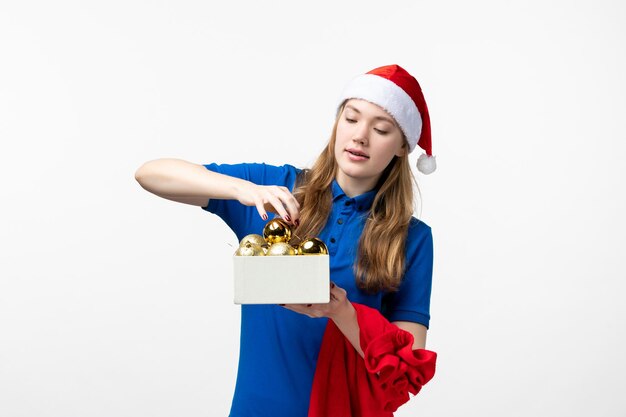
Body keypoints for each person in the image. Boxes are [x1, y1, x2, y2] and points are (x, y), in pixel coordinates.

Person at [135, 64, 438, 417]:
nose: (360, 136)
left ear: (402, 146)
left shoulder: (413, 238)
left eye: (381, 128)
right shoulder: (275, 191)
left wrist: (340, 312)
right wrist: (243, 190)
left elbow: (408, 364)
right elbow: (150, 174)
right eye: (351, 119)